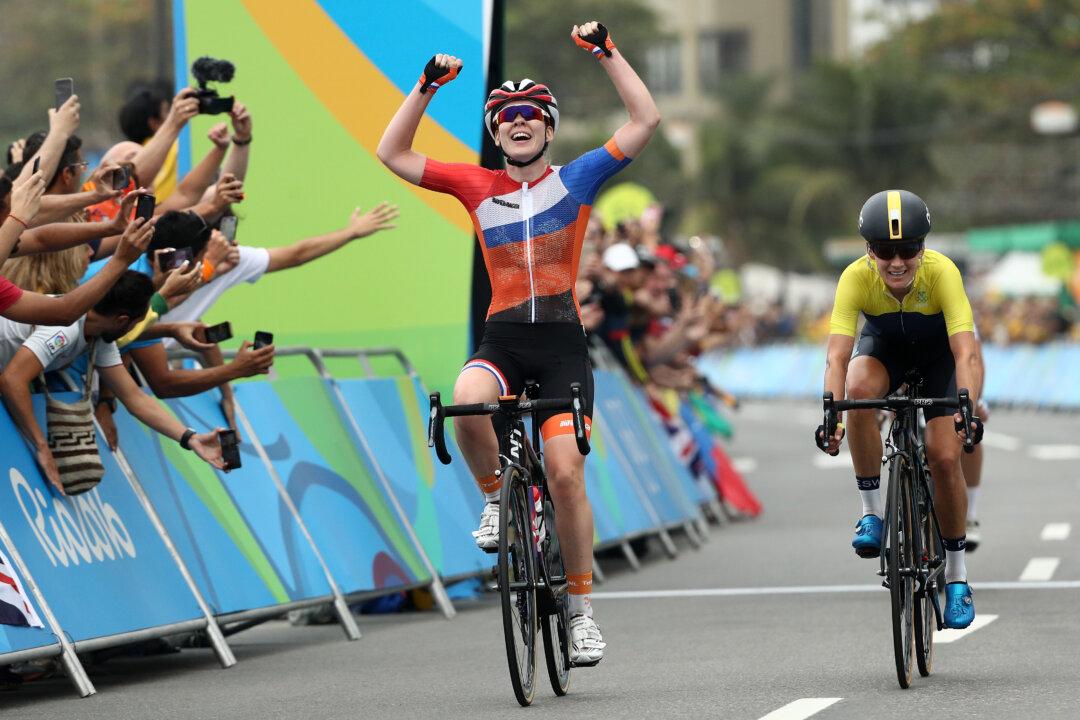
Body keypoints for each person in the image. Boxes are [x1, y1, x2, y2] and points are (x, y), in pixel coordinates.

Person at [377, 20, 660, 665]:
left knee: (565, 474)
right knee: (467, 399)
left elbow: (645, 119)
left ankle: (581, 613)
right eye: (506, 116)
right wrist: (425, 87)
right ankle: (494, 498)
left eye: (532, 113)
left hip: (561, 345)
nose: (519, 121)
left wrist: (607, 52)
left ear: (549, 129)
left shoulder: (578, 180)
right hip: (503, 337)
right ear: (495, 132)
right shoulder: (475, 185)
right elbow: (392, 152)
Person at [817, 189, 984, 629]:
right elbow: (837, 356)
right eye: (884, 250)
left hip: (938, 360)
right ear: (868, 250)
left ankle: (957, 577)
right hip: (885, 354)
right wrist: (832, 414)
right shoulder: (855, 277)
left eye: (907, 249)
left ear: (922, 248)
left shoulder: (943, 272)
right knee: (857, 390)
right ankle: (871, 512)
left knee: (944, 456)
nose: (896, 262)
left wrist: (966, 408)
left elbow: (965, 352)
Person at [0, 271, 227, 494]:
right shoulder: (65, 329)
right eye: (137, 323)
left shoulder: (99, 338)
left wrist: (190, 438)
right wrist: (41, 446)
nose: (134, 331)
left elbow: (135, 398)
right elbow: (12, 380)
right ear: (122, 321)